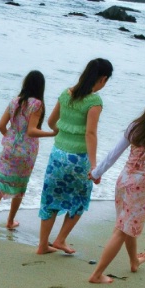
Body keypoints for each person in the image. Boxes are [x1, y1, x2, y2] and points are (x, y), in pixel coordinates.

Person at [88, 88, 145, 284]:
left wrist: (97, 173)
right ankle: (96, 274)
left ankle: (133, 261)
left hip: (124, 180)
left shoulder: (136, 126)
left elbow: (114, 153)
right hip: (142, 187)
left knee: (126, 224)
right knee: (122, 229)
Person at [36, 58, 113, 254]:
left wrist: (61, 134)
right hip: (78, 160)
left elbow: (52, 122)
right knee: (79, 199)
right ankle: (60, 239)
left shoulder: (66, 93)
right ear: (103, 79)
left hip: (57, 156)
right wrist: (95, 167)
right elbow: (90, 133)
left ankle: (43, 245)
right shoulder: (94, 101)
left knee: (50, 199)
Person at [0, 70, 56, 236]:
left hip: (9, 149)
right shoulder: (37, 104)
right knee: (20, 186)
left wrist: (11, 139)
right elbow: (31, 131)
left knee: (0, 185)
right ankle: (10, 221)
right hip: (26, 152)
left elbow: (1, 125)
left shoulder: (14, 101)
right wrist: (51, 133)